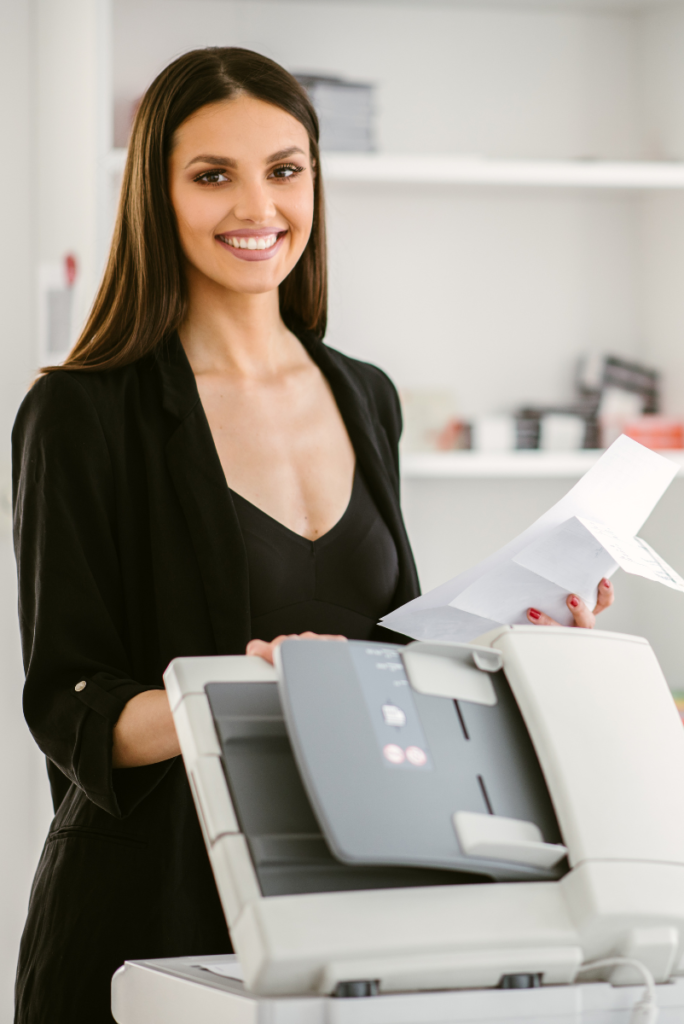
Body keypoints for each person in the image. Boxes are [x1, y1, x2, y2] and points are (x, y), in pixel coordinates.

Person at [11, 47, 614, 1024]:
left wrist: (525, 642)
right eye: (214, 175)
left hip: (352, 904)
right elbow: (66, 706)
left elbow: (387, 658)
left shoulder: (363, 394)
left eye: (286, 170)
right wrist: (245, 691)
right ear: (157, 194)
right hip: (155, 908)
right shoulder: (81, 414)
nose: (259, 208)